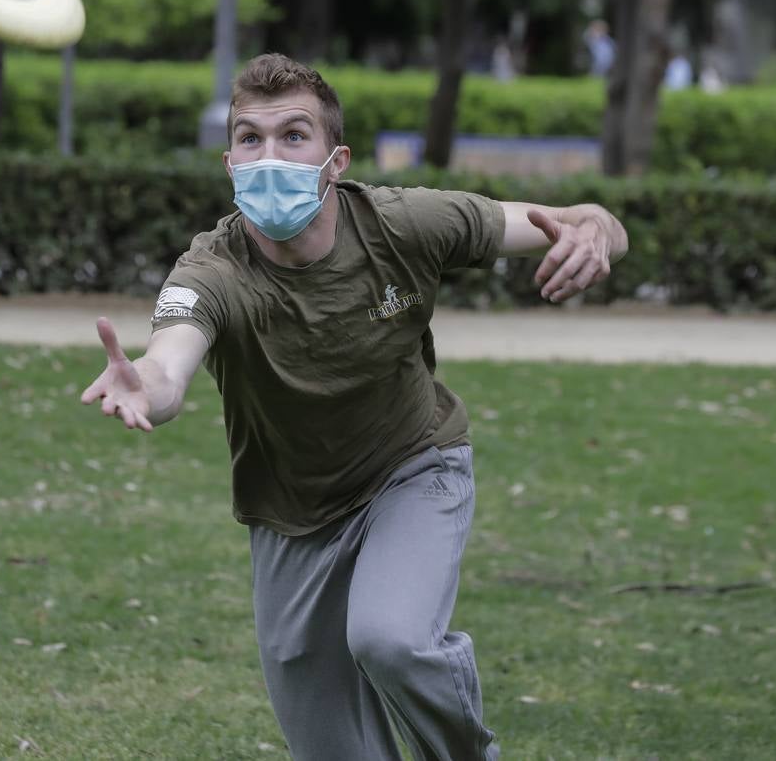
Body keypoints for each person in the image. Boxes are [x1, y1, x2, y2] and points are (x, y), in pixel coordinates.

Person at [80, 54, 628, 760]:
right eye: (251, 139)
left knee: (390, 638)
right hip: (292, 513)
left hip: (412, 467)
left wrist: (598, 229)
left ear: (334, 160)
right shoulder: (211, 270)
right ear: (229, 161)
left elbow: (571, 219)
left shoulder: (404, 224)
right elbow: (170, 359)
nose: (269, 157)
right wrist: (148, 389)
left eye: (293, 136)